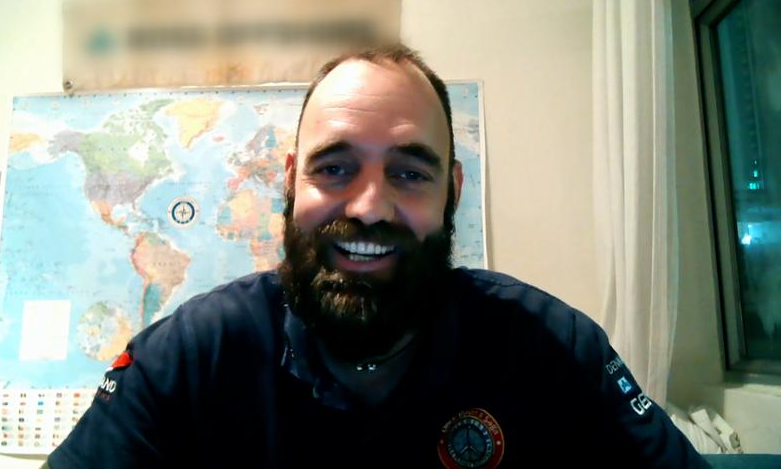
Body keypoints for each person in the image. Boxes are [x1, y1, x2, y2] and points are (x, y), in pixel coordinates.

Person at [44, 44, 708, 468]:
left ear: (452, 192)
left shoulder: (556, 348)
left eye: (409, 173)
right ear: (290, 183)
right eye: (334, 168)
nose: (367, 208)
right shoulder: (187, 358)